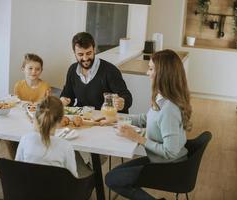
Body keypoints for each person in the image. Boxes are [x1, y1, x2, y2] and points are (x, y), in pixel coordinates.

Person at [105, 49, 192, 200]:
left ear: (163, 74)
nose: (147, 73)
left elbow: (170, 152)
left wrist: (138, 138)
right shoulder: (163, 97)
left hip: (170, 167)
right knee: (114, 176)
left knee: (112, 179)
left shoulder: (169, 109)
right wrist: (118, 118)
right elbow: (147, 118)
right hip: (160, 161)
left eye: (151, 69)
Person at [15, 96, 91, 178]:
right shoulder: (66, 146)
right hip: (56, 190)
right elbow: (73, 179)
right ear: (61, 120)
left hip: (27, 189)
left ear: (36, 116)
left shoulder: (25, 139)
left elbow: (17, 169)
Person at [60, 32, 132, 113]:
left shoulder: (110, 71)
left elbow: (127, 96)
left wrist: (122, 102)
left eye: (88, 53)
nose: (85, 58)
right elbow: (67, 95)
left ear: (94, 50)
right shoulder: (72, 70)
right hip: (83, 118)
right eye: (80, 54)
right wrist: (63, 100)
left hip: (106, 119)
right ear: (74, 53)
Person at [7, 53, 51, 159]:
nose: (34, 72)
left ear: (41, 70)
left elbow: (46, 107)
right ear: (23, 69)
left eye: (37, 69)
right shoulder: (18, 85)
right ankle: (17, 161)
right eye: (30, 68)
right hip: (20, 120)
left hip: (37, 122)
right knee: (8, 137)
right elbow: (17, 105)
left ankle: (31, 161)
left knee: (34, 140)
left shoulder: (45, 86)